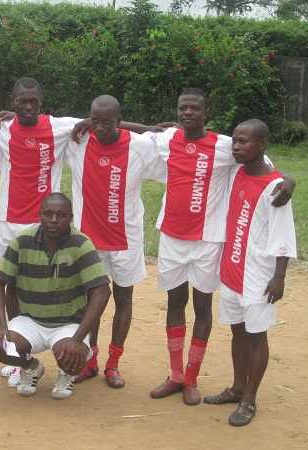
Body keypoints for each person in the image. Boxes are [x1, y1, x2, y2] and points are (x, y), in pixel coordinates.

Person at [112, 88, 295, 405]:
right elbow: (135, 132)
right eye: (183, 108)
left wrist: (290, 181)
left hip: (208, 241)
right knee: (174, 303)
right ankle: (175, 375)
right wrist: (93, 122)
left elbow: (265, 164)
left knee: (202, 307)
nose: (187, 113)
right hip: (171, 238)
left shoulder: (225, 145)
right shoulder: (169, 138)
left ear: (205, 112)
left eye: (194, 108)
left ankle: (192, 378)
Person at [65, 95, 165, 387]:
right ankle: (90, 360)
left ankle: (113, 363)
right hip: (89, 241)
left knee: (123, 299)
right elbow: (36, 122)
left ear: (120, 122)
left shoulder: (140, 146)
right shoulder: (78, 140)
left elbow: (170, 146)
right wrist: (86, 123)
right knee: (90, 301)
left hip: (126, 239)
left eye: (107, 122)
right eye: (94, 121)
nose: (100, 128)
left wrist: (145, 127)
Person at [0, 77, 81, 385]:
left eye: (33, 102)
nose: (27, 106)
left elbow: (99, 119)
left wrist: (150, 129)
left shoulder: (59, 127)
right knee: (11, 286)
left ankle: (59, 340)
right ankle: (19, 356)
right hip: (8, 221)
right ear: (12, 102)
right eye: (21, 101)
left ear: (41, 103)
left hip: (46, 225)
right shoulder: (1, 127)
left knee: (46, 284)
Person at [204, 119, 296, 426]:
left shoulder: (275, 188)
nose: (237, 146)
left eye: (245, 142)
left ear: (262, 145)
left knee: (256, 336)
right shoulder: (237, 172)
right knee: (238, 332)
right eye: (235, 140)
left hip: (259, 277)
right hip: (232, 270)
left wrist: (279, 276)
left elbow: (283, 235)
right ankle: (237, 387)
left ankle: (250, 398)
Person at [0, 192, 111, 399]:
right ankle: (31, 368)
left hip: (69, 323)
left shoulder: (81, 244)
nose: (54, 220)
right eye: (48, 214)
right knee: (1, 346)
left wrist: (77, 338)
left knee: (72, 354)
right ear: (40, 215)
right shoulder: (22, 241)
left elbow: (102, 290)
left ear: (70, 218)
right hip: (30, 320)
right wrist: (2, 327)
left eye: (61, 215)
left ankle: (67, 373)